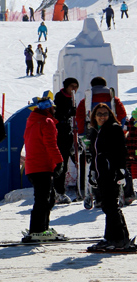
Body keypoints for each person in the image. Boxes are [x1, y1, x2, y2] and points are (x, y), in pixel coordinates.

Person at [86, 103, 135, 251]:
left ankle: (117, 239)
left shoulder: (114, 128)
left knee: (110, 205)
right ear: (94, 116)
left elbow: (121, 151)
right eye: (99, 114)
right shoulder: (95, 131)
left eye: (105, 114)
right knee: (109, 206)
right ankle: (117, 237)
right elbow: (94, 155)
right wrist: (92, 172)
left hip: (111, 172)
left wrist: (120, 171)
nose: (102, 117)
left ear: (110, 115)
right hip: (101, 173)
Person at [23, 91, 63, 242]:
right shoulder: (47, 122)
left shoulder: (32, 121)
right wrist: (59, 162)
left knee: (47, 198)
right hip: (43, 167)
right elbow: (50, 144)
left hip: (33, 166)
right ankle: (38, 230)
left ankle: (41, 228)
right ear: (49, 108)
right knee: (43, 200)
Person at [53, 78, 79, 203]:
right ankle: (59, 191)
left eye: (76, 86)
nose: (74, 89)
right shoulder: (60, 98)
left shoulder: (72, 99)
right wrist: (69, 113)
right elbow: (59, 115)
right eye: (72, 86)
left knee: (78, 160)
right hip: (62, 134)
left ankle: (82, 189)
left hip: (71, 133)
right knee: (61, 164)